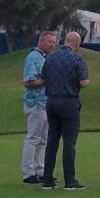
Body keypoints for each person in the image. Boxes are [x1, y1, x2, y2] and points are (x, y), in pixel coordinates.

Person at [41, 29, 92, 191]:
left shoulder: (50, 57)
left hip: (51, 102)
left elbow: (44, 77)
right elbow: (84, 82)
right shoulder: (77, 58)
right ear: (77, 44)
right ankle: (69, 180)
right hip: (69, 102)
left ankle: (47, 179)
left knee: (52, 140)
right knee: (69, 142)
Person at [20, 31, 57, 184]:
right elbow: (28, 81)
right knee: (33, 138)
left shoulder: (46, 58)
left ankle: (40, 170)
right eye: (49, 42)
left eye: (54, 42)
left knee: (43, 139)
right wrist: (46, 80)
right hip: (36, 103)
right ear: (41, 41)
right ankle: (28, 172)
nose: (52, 45)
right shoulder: (33, 58)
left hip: (46, 103)